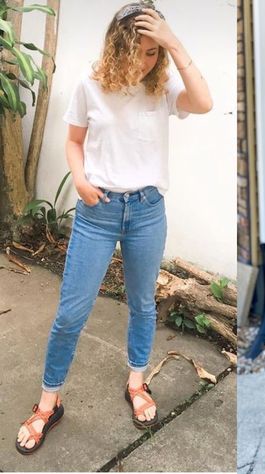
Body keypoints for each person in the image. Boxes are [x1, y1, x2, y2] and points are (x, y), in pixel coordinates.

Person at [16, 1, 212, 454]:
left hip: (147, 211)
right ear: (116, 46)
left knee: (142, 304)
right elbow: (73, 141)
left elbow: (204, 103)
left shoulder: (161, 90)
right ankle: (50, 401)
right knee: (71, 312)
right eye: (137, 51)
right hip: (98, 212)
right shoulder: (90, 85)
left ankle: (137, 381)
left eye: (152, 52)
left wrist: (173, 42)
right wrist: (80, 180)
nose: (144, 61)